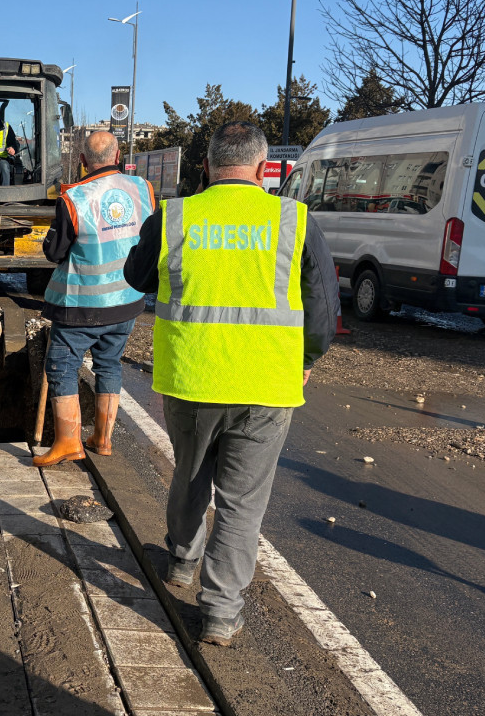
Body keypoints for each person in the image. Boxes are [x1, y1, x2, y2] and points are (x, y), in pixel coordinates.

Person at [123, 121, 339, 646]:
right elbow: (324, 311)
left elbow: (136, 277)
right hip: (266, 385)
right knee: (243, 503)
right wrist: (307, 357)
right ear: (265, 169)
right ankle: (220, 613)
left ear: (207, 166)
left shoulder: (175, 217)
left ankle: (180, 560)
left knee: (191, 476)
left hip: (191, 379)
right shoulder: (295, 221)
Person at [34, 131, 154, 467]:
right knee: (108, 364)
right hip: (128, 301)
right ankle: (102, 440)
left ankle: (68, 444)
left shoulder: (74, 198)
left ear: (83, 161)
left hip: (83, 306)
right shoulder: (143, 190)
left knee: (62, 365)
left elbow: (55, 252)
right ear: (118, 156)